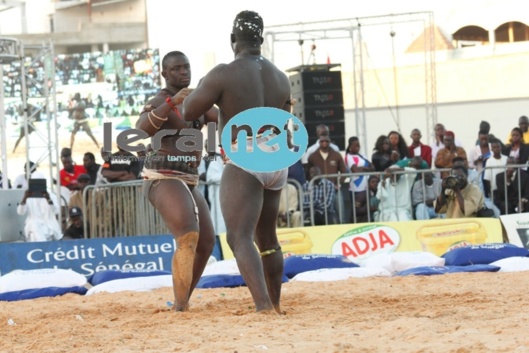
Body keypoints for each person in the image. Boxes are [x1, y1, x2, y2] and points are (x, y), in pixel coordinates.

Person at [182, 10, 291, 313]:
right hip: (278, 156)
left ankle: (264, 307)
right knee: (268, 237)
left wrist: (207, 82)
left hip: (245, 155)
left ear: (233, 41)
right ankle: (276, 303)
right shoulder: (281, 77)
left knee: (239, 236)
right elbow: (286, 120)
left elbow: (189, 111)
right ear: (262, 39)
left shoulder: (223, 73)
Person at [136, 50, 217, 312]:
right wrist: (171, 103)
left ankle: (183, 300)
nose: (184, 72)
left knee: (206, 242)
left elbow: (229, 121)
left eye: (187, 67)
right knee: (188, 235)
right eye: (177, 68)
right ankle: (181, 306)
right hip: (163, 176)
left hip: (190, 177)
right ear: (165, 74)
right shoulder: (159, 100)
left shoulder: (199, 102)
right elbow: (139, 130)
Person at [308, 134, 348, 223]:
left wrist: (339, 183)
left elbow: (344, 172)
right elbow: (308, 173)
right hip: (319, 190)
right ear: (319, 142)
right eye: (322, 141)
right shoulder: (312, 156)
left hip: (335, 189)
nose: (324, 143)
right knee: (320, 215)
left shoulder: (336, 155)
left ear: (330, 142)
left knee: (341, 215)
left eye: (326, 141)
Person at [344, 136, 374, 222]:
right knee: (356, 211)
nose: (358, 147)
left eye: (359, 145)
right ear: (350, 146)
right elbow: (355, 170)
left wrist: (363, 168)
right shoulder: (348, 157)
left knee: (365, 210)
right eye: (356, 145)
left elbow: (373, 167)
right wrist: (366, 168)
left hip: (366, 186)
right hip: (356, 188)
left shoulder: (363, 155)